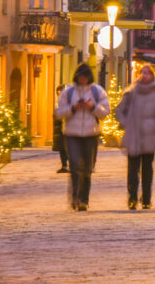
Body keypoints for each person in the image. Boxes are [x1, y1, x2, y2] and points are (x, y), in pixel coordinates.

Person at [55, 63, 110, 211]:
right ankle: (75, 197)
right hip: (72, 134)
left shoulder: (98, 91)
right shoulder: (69, 92)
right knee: (74, 166)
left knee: (87, 168)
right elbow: (59, 113)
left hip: (91, 134)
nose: (83, 80)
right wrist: (73, 108)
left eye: (85, 77)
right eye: (80, 77)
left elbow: (105, 113)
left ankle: (84, 199)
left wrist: (92, 107)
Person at [114, 65, 155, 210]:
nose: (145, 75)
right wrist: (127, 123)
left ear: (152, 76)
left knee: (147, 170)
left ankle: (146, 198)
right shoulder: (130, 93)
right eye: (142, 73)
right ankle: (132, 198)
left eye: (148, 73)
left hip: (150, 136)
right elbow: (119, 110)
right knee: (132, 169)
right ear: (138, 75)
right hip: (133, 135)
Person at [53, 85, 68, 173]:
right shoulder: (58, 102)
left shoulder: (69, 102)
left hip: (67, 129)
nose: (59, 95)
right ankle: (64, 165)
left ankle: (69, 165)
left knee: (67, 148)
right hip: (60, 129)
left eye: (60, 93)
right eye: (58, 93)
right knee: (62, 149)